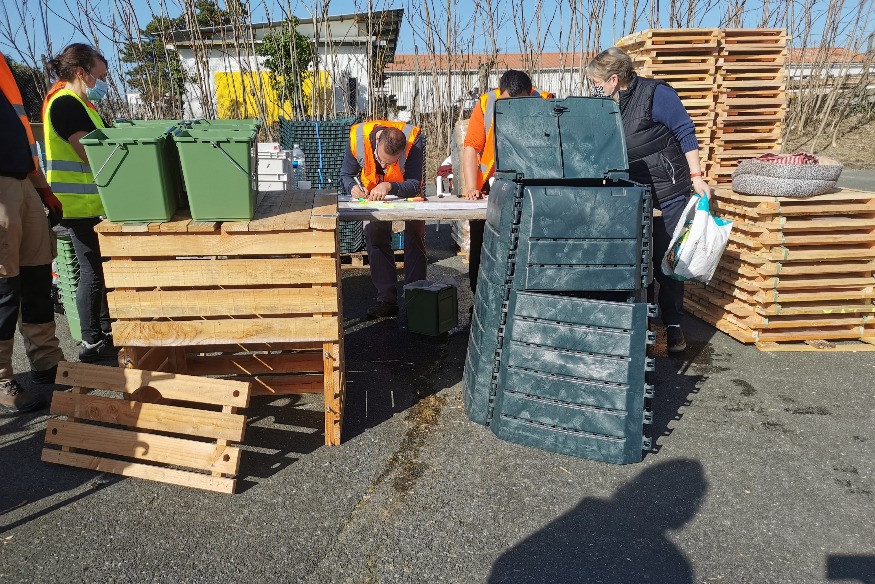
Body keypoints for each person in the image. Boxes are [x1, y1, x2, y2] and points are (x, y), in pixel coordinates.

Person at [586, 47, 713, 353]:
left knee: (666, 261)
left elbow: (686, 132)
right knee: (636, 260)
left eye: (597, 83)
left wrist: (697, 176)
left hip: (667, 191)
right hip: (632, 193)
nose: (595, 89)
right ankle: (641, 323)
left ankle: (673, 326)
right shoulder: (609, 104)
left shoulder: (656, 94)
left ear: (614, 79)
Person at [0, 51, 66, 413]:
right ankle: (1, 377)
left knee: (37, 277)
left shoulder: (3, 65)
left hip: (22, 179)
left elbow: (21, 132)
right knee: (4, 286)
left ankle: (47, 363)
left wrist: (41, 187)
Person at [43, 43, 116, 362]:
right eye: (101, 75)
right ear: (81, 72)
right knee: (91, 271)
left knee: (97, 269)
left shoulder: (81, 104)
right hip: (76, 205)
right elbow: (88, 154)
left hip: (87, 203)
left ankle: (103, 332)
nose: (104, 82)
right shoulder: (66, 104)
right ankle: (91, 341)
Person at [461, 70, 553, 296]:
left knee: (525, 245)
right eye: (507, 102)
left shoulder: (545, 102)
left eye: (519, 102)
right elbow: (471, 147)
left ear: (529, 93)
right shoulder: (486, 104)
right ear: (500, 92)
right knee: (483, 244)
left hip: (530, 187)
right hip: (487, 189)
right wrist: (472, 188)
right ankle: (479, 298)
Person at [340, 121, 427, 319]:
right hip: (373, 196)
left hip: (405, 194)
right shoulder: (358, 138)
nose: (385, 166)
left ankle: (416, 299)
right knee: (375, 236)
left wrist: (389, 186)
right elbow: (346, 175)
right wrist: (352, 187)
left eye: (391, 162)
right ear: (377, 141)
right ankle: (386, 299)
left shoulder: (413, 140)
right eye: (382, 160)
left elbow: (414, 184)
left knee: (415, 236)